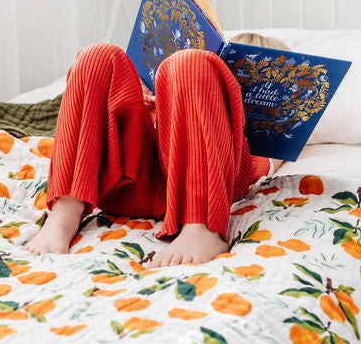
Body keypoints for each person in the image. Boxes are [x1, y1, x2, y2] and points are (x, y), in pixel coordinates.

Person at [24, 32, 288, 267]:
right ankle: (66, 210)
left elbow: (271, 154)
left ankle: (201, 227)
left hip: (199, 184)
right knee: (99, 55)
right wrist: (139, 97)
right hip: (126, 181)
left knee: (191, 63)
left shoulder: (248, 145)